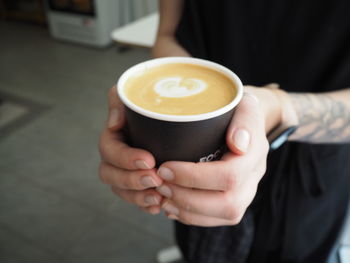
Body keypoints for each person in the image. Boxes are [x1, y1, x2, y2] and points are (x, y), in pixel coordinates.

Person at [98, 0, 350, 262]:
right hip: (199, 153)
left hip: (312, 173)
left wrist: (279, 109)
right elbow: (168, 36)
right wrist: (168, 114)